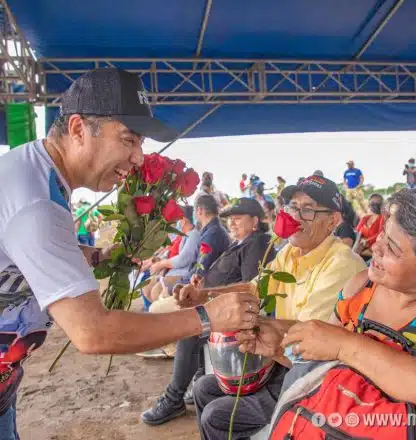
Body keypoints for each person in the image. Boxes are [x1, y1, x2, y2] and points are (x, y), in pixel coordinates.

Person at [0, 68, 260, 438]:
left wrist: (93, 256)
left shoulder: (34, 171)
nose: (138, 157)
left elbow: (20, 251)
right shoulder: (37, 202)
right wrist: (207, 317)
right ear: (78, 129)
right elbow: (93, 332)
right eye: (128, 140)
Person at [186, 176, 366, 440]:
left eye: (308, 209)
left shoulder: (341, 264)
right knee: (203, 387)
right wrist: (204, 295)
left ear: (333, 220)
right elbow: (255, 289)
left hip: (310, 376)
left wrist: (254, 327)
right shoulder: (290, 252)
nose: (297, 217)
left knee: (217, 416)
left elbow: (307, 345)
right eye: (293, 207)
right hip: (279, 359)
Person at [252, 187, 416, 430]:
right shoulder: (360, 288)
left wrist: (346, 345)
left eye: (392, 248)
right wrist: (279, 347)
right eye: (382, 232)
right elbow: (322, 367)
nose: (376, 247)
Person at [141, 198, 276, 426]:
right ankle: (195, 378)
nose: (232, 223)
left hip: (233, 314)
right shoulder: (240, 243)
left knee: (189, 329)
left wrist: (207, 294)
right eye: (230, 219)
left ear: (255, 222)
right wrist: (202, 285)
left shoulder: (257, 244)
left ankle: (173, 399)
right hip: (213, 301)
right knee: (185, 315)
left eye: (238, 218)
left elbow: (251, 289)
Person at [142, 206, 200, 303]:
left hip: (183, 275)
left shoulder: (193, 235)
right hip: (173, 272)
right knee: (146, 286)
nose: (177, 223)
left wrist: (161, 264)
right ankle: (156, 310)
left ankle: (164, 311)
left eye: (178, 220)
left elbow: (183, 260)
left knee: (156, 292)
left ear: (184, 220)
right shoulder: (185, 235)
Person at [355, 193, 385, 260]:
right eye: (373, 203)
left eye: (378, 203)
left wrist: (366, 241)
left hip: (371, 249)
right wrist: (360, 241)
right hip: (360, 246)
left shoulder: (382, 218)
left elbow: (381, 234)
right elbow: (357, 232)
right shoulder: (365, 218)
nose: (375, 205)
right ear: (369, 204)